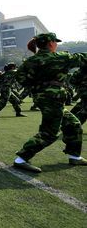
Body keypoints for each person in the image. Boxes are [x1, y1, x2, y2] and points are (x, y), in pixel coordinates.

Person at [12, 33, 87, 173]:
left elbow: (20, 78)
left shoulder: (31, 61)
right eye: (55, 42)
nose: (56, 44)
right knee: (49, 133)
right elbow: (83, 58)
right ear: (51, 43)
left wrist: (36, 86)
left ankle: (74, 156)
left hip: (43, 97)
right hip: (53, 98)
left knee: (73, 124)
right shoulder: (60, 57)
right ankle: (21, 159)